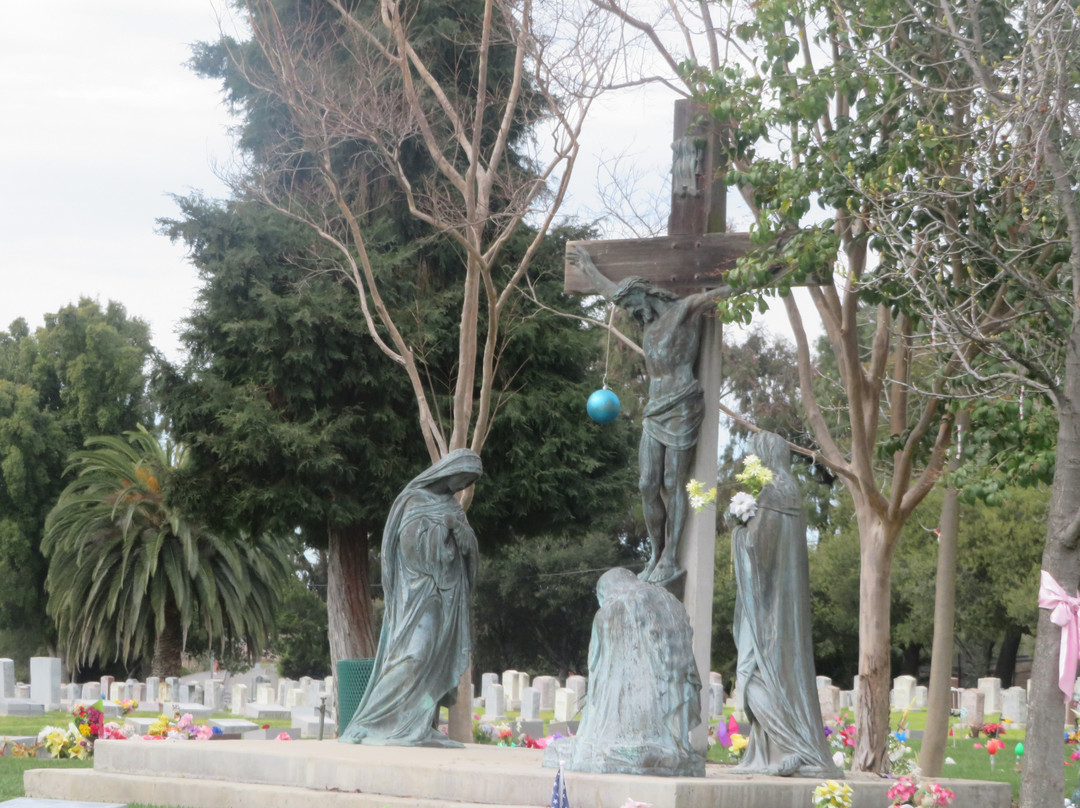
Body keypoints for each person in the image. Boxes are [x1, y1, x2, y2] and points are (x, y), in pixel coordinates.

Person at [570, 246, 732, 587]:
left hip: (683, 405)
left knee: (673, 482)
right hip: (654, 410)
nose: (630, 312)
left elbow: (727, 290)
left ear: (643, 294)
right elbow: (610, 290)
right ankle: (655, 553)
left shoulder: (685, 310)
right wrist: (587, 266)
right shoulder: (648, 322)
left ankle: (671, 556)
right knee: (647, 483)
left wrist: (772, 266)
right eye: (626, 307)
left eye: (630, 305)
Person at [340, 449, 482, 747]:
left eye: (468, 482)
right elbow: (407, 545)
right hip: (418, 592)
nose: (462, 485)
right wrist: (441, 531)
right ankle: (371, 722)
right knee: (414, 655)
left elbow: (470, 548)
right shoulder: (413, 500)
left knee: (435, 659)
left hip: (447, 594)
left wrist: (458, 530)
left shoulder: (454, 507)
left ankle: (419, 725)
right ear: (448, 470)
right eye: (462, 477)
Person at [731, 431, 840, 778]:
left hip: (766, 606)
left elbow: (757, 548)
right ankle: (772, 753)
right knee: (764, 674)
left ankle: (793, 748)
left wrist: (736, 527)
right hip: (783, 603)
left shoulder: (771, 490)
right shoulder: (789, 488)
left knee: (750, 678)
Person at [553, 567, 704, 777]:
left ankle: (632, 746)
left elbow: (597, 669)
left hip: (628, 718)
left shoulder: (610, 610)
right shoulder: (669, 601)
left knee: (581, 748)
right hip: (670, 703)